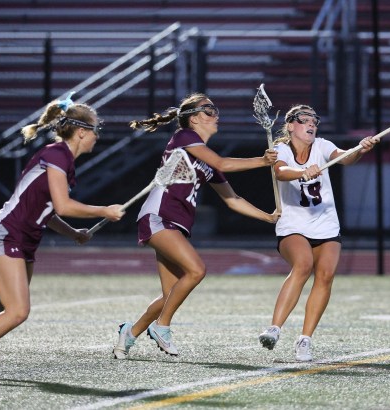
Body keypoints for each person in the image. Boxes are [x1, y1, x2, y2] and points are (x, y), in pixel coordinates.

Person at [0, 95, 126, 383]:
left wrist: (73, 233)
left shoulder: (63, 160)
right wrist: (104, 210)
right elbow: (64, 205)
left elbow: (49, 212)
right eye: (96, 130)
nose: (97, 136)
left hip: (24, 238)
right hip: (7, 232)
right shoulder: (57, 155)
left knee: (6, 305)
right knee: (18, 311)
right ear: (81, 132)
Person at [112, 93, 280, 359]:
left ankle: (129, 334)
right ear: (194, 118)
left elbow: (233, 199)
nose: (216, 115)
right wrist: (262, 161)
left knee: (170, 295)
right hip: (159, 217)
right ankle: (162, 328)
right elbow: (224, 162)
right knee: (196, 270)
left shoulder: (207, 161)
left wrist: (268, 217)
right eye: (209, 110)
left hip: (175, 224)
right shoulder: (184, 138)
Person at [258, 104, 377, 362]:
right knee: (303, 264)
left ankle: (305, 339)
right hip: (293, 225)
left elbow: (345, 157)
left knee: (325, 275)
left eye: (314, 120)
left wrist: (360, 149)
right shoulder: (280, 150)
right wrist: (303, 171)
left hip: (325, 224)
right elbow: (280, 172)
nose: (311, 124)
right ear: (290, 126)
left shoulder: (322, 146)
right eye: (304, 120)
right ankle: (274, 328)